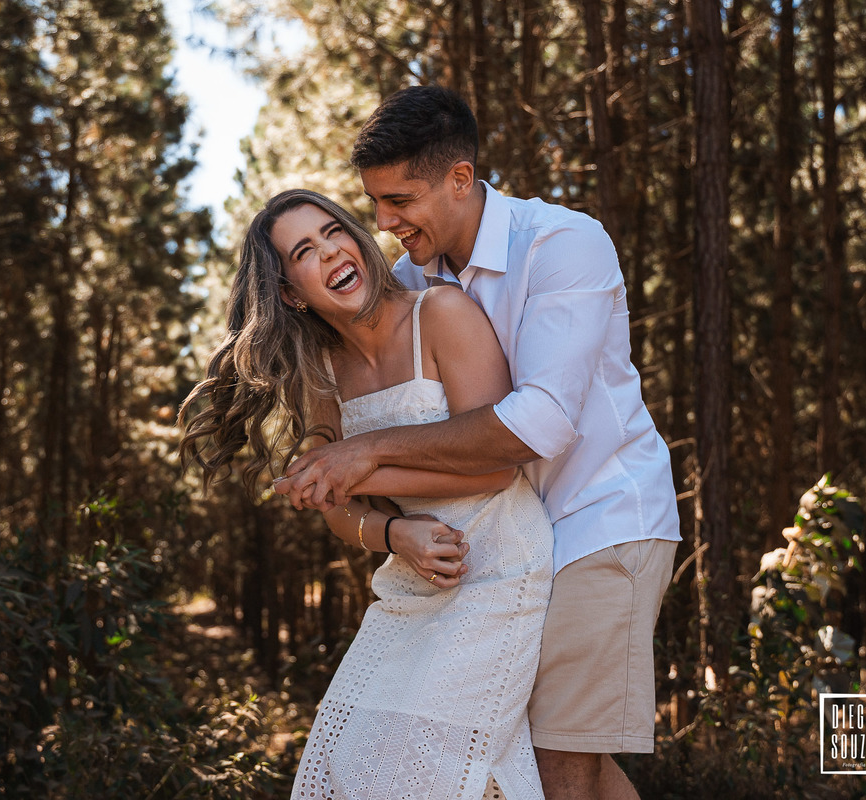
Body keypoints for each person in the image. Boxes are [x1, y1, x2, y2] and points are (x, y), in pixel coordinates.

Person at [273, 86, 682, 800]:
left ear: (460, 178)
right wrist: (341, 467)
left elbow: (540, 423)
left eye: (400, 201)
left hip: (600, 518)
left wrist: (364, 455)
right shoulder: (408, 281)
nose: (383, 223)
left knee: (559, 761)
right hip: (502, 550)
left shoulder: (561, 244)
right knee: (537, 758)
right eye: (374, 203)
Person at [179, 189, 555, 798]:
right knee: (347, 760)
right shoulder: (324, 368)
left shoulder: (441, 313)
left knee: (420, 772)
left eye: (333, 232)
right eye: (304, 251)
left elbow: (495, 467)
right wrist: (394, 533)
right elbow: (337, 507)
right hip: (410, 580)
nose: (330, 252)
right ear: (290, 294)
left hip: (498, 567)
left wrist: (357, 470)